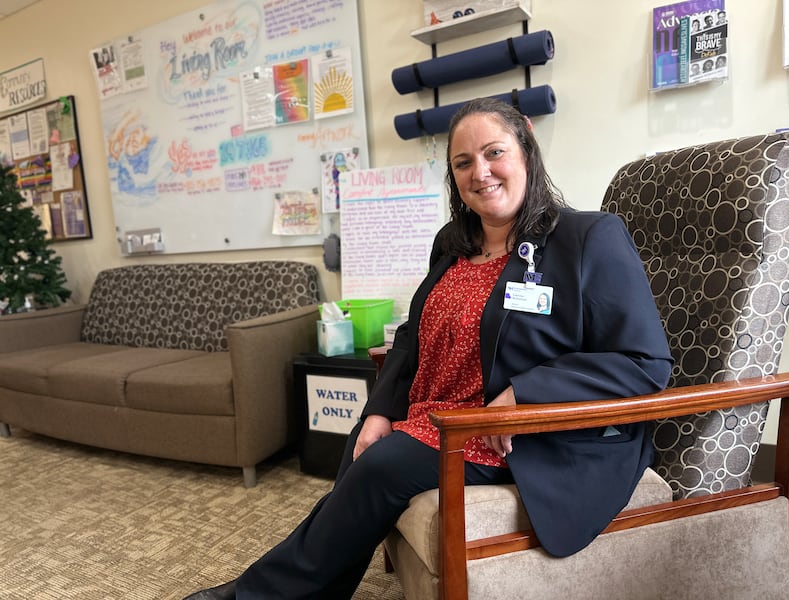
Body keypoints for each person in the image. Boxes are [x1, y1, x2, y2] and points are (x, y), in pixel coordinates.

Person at [184, 97, 673, 599]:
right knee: (364, 446)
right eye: (463, 163)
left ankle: (253, 597)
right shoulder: (452, 242)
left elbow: (645, 362)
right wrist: (381, 409)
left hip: (520, 434)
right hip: (435, 416)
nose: (480, 173)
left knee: (380, 467)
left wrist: (524, 394)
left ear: (525, 147)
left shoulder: (587, 238)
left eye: (493, 153)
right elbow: (412, 335)